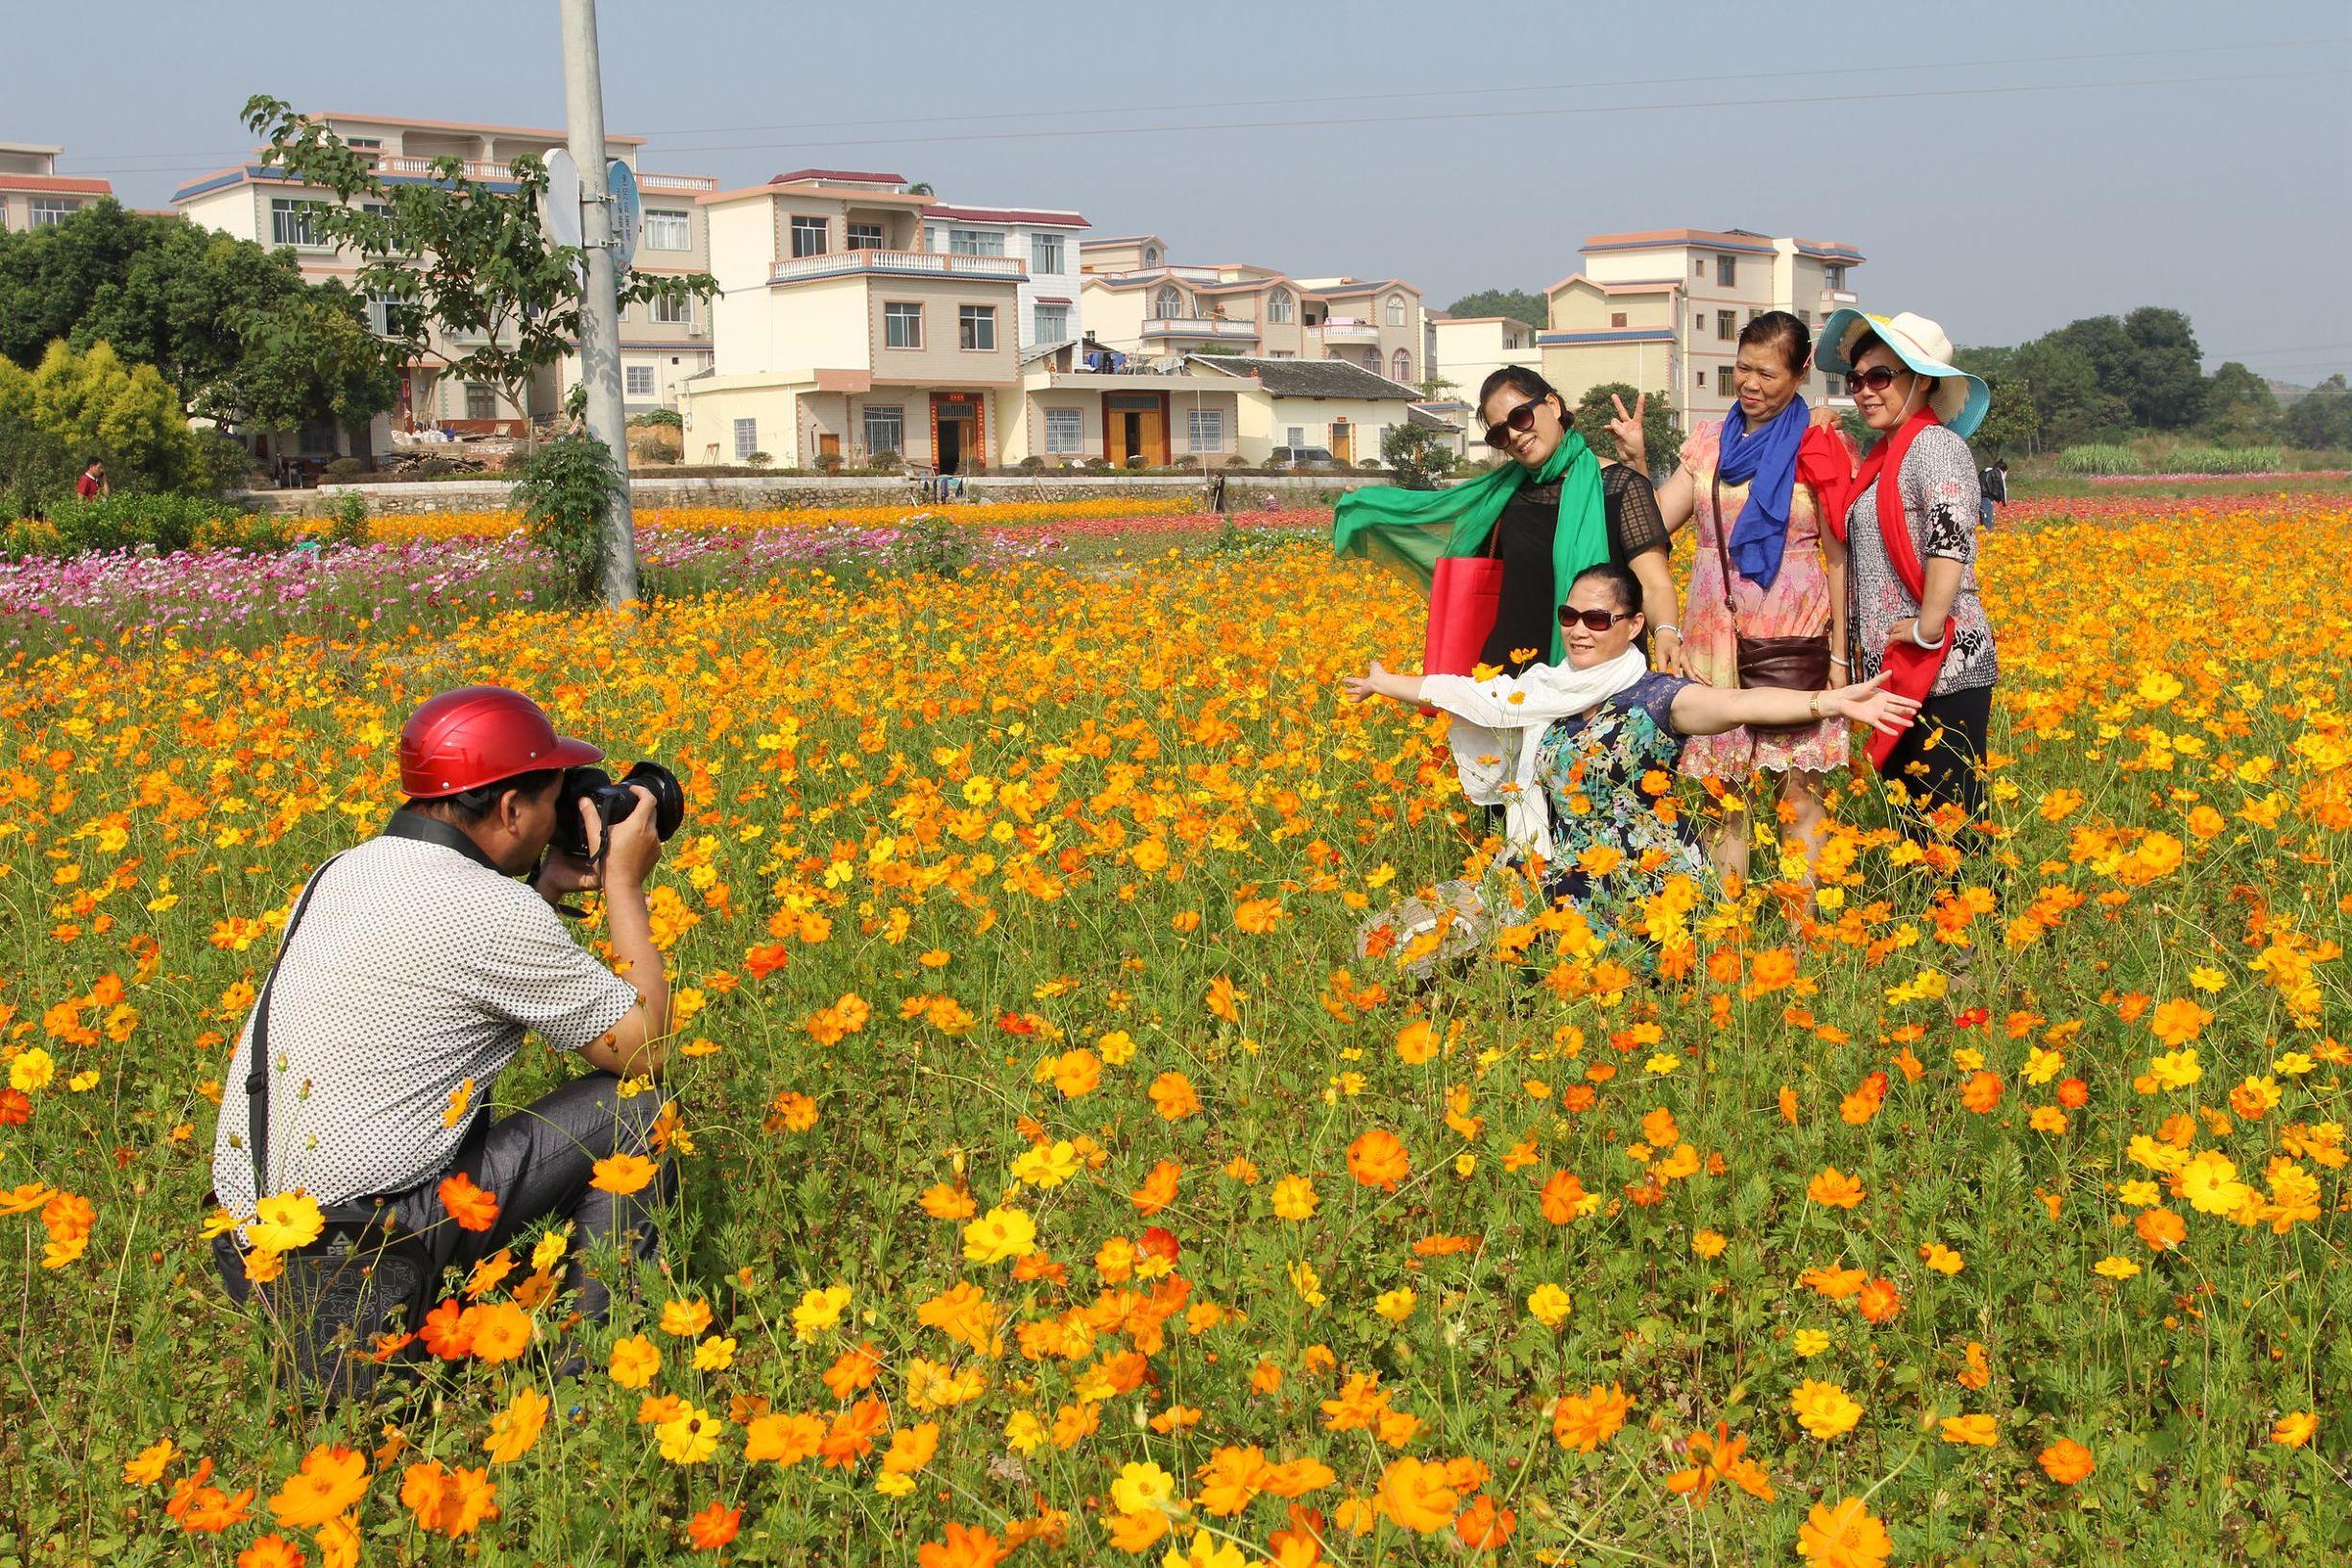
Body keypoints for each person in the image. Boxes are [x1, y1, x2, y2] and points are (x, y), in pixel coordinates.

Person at [209, 686, 677, 1346]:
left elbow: (452, 951)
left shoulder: (339, 871)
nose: (559, 817)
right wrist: (624, 884)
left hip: (254, 1250)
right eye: (553, 799)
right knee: (634, 1110)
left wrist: (542, 890)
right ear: (512, 808)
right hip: (364, 1267)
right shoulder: (492, 913)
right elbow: (641, 1050)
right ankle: (594, 1372)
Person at [1342, 563, 1921, 919]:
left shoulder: (1658, 696)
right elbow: (1471, 695)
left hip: (1649, 885)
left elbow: (1737, 704)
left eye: (1597, 619)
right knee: (1410, 926)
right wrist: (1384, 682)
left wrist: (1825, 702)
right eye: (1570, 616)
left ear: (1633, 626)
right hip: (1561, 872)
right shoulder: (1543, 688)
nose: (1578, 629)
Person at [1608, 312, 1855, 887]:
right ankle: (1733, 928)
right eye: (1742, 368)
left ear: (1800, 373)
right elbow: (1654, 527)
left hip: (1794, 628)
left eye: (1767, 374)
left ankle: (1804, 931)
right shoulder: (1708, 443)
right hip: (1714, 632)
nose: (1750, 384)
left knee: (1800, 794)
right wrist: (1636, 463)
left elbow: (1841, 555)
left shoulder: (1819, 441)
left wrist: (1842, 653)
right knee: (1725, 796)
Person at [1334, 366, 1679, 680]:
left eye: (1521, 417)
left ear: (1553, 406)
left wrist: (1665, 630)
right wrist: (1372, 504)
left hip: (1597, 682)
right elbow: (1434, 512)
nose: (1514, 435)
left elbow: (1654, 583)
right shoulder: (1499, 496)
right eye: (1499, 434)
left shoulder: (1620, 488)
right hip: (1509, 684)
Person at [1813, 310, 2000, 854]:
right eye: (1856, 380)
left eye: (1880, 377)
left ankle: (1972, 934)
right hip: (1897, 665)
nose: (1865, 392)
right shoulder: (1883, 456)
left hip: (1941, 664)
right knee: (1913, 821)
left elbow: (1951, 538)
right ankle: (1934, 930)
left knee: (1951, 815)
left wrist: (1927, 626)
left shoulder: (1935, 447)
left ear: (1922, 381)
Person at [1978, 457, 2007, 528]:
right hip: (1986, 497)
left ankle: (1983, 532)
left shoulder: (1985, 471)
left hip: (1979, 496)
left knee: (1983, 516)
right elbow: (2002, 487)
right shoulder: (1998, 472)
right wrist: (2004, 502)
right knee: (1988, 518)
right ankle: (1987, 534)